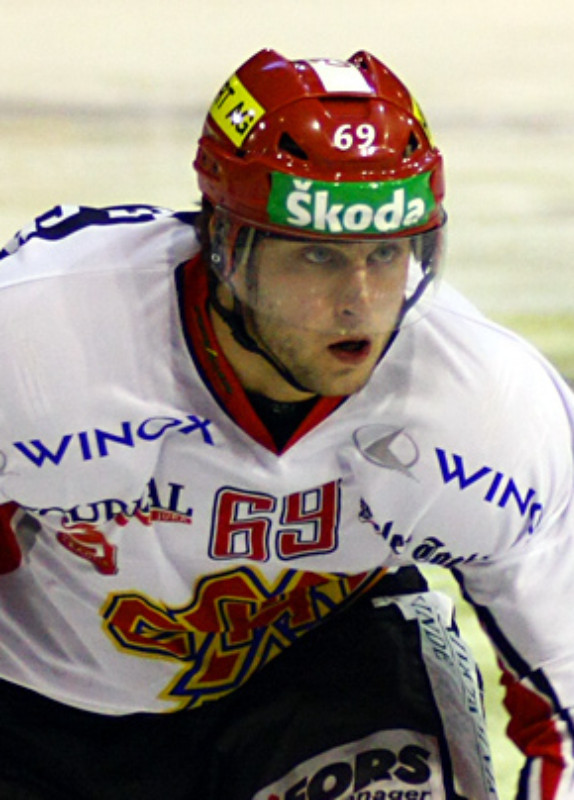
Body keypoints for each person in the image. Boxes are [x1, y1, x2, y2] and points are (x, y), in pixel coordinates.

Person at [0, 47, 571, 800]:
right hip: (37, 708)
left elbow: (567, 691)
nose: (359, 301)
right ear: (222, 242)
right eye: (317, 256)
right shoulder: (37, 341)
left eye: (386, 253)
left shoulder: (489, 410)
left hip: (324, 677)